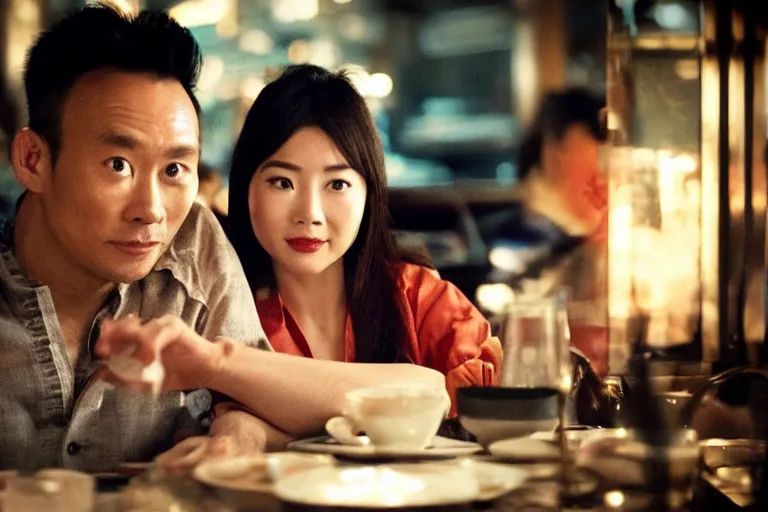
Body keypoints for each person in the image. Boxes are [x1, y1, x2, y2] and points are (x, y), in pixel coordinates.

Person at [1, 3, 273, 472]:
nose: (151, 210)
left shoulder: (193, 239)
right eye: (118, 165)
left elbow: (258, 393)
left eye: (174, 169)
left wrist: (237, 435)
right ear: (33, 160)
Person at [222, 64, 502, 414]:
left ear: (369, 194)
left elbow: (493, 407)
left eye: (337, 184)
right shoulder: (221, 315)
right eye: (283, 183)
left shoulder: (418, 300)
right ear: (245, 188)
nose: (310, 213)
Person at [480, 88, 609, 375]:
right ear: (550, 153)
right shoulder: (514, 246)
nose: (605, 181)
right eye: (595, 168)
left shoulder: (599, 237)